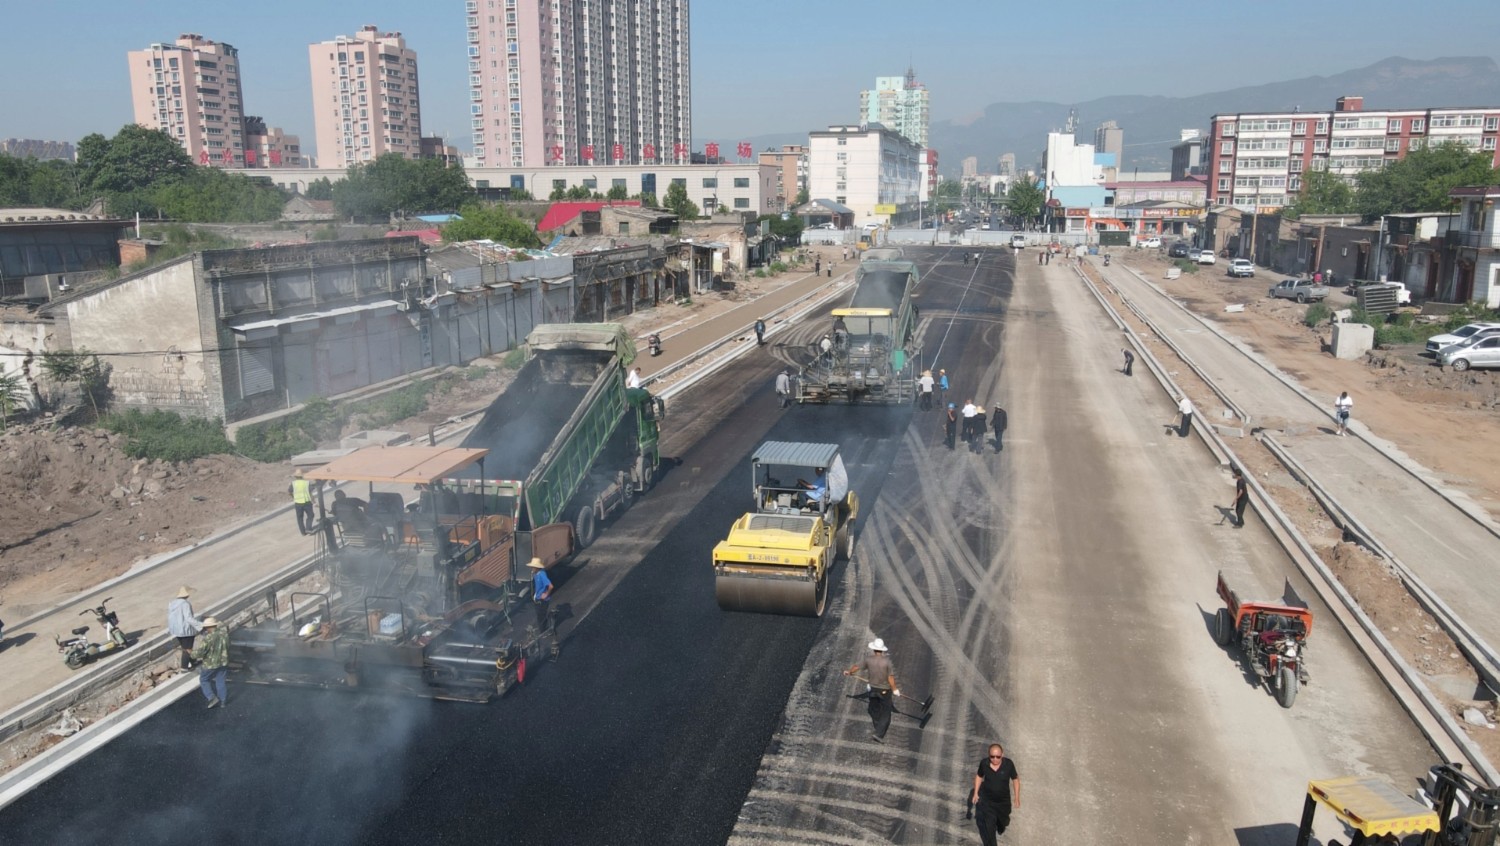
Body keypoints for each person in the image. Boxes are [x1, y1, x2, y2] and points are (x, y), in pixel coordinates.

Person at [844, 637, 899, 743]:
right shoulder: (887, 662)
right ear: (882, 650)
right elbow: (890, 678)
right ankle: (879, 733)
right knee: (886, 712)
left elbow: (856, 667)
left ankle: (878, 724)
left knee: (873, 708)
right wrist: (895, 689)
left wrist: (849, 672)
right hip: (884, 691)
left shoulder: (868, 659)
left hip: (872, 689)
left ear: (874, 649)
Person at [971, 743, 1021, 846]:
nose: (995, 759)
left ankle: (1001, 825)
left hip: (1004, 803)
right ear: (989, 755)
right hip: (988, 803)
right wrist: (975, 793)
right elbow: (979, 777)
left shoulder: (1008, 764)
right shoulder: (984, 764)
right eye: (992, 757)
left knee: (1004, 822)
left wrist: (1016, 797)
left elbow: (1015, 779)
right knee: (990, 829)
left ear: (1002, 754)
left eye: (998, 757)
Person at [191, 616, 229, 709]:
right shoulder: (224, 634)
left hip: (210, 664)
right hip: (223, 662)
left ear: (208, 627)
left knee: (204, 680)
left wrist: (191, 654)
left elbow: (200, 652)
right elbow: (228, 645)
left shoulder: (208, 638)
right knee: (221, 681)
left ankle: (211, 697)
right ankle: (223, 701)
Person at [167, 586, 203, 670]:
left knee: (185, 647)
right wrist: (201, 625)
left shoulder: (172, 604)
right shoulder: (185, 604)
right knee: (187, 649)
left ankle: (193, 661)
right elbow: (189, 618)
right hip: (186, 630)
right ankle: (184, 667)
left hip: (176, 631)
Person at [527, 557, 554, 633]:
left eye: (533, 567)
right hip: (538, 598)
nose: (531, 568)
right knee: (539, 615)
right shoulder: (536, 574)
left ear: (537, 567)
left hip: (542, 600)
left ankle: (544, 631)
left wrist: (546, 594)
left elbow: (551, 586)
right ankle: (543, 630)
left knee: (541, 616)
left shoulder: (542, 574)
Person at [288, 468, 314, 536]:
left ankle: (303, 532)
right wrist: (314, 501)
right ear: (302, 476)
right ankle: (308, 528)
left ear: (295, 476)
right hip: (307, 502)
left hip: (298, 503)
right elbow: (310, 492)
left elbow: (289, 492)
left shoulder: (293, 484)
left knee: (299, 518)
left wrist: (294, 497)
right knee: (310, 515)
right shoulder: (306, 483)